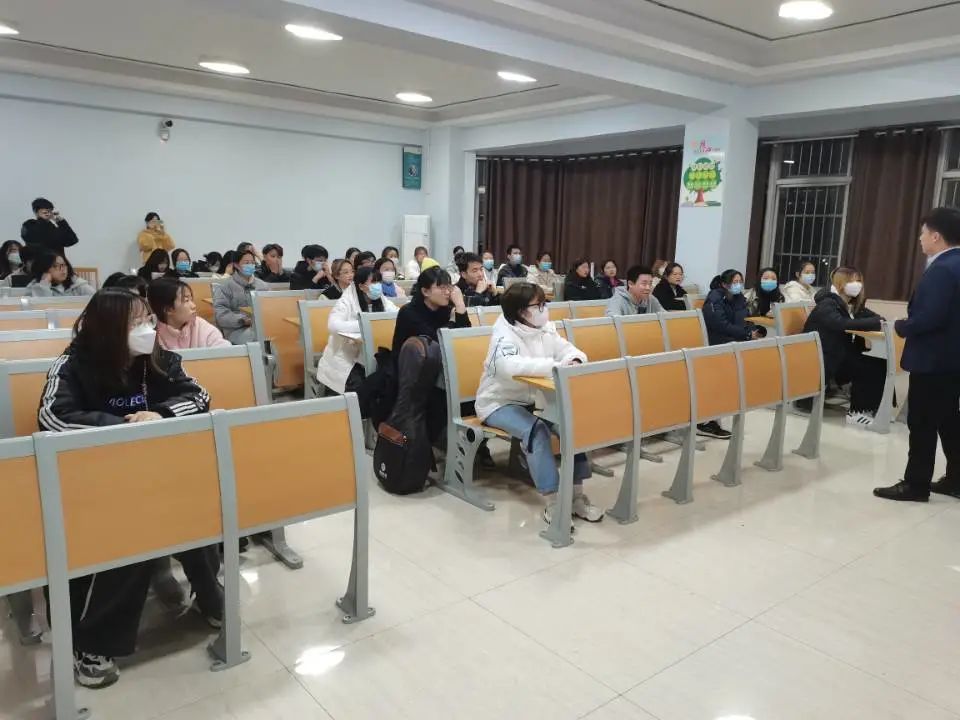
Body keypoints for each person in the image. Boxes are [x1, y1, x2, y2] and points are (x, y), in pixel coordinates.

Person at [37, 289, 221, 688]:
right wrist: (123, 426)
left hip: (152, 473)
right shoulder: (72, 365)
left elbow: (199, 396)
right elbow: (53, 418)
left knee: (198, 512)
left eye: (148, 319)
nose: (147, 328)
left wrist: (160, 414)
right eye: (136, 322)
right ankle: (92, 642)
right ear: (108, 328)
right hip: (91, 481)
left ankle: (211, 597)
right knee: (130, 532)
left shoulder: (158, 359)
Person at [476, 282, 603, 525]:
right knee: (537, 431)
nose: (544, 309)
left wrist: (575, 360)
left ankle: (577, 498)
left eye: (544, 303)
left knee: (570, 428)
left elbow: (570, 351)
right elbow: (509, 367)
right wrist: (555, 366)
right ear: (521, 311)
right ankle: (553, 502)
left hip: (536, 401)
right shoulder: (503, 334)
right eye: (539, 305)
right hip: (499, 403)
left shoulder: (545, 329)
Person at [875, 208, 960, 502]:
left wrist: (902, 326)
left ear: (936, 236)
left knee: (922, 423)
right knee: (949, 421)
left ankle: (916, 484)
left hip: (933, 360)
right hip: (952, 360)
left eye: (923, 233)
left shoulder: (943, 269)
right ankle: (956, 479)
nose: (920, 239)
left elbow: (930, 317)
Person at [802, 267, 884, 426]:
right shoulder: (827, 303)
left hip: (839, 353)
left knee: (877, 363)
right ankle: (857, 412)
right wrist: (874, 322)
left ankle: (871, 409)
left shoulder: (850, 303)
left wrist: (877, 321)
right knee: (866, 366)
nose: (857, 284)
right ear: (840, 282)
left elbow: (874, 317)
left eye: (859, 281)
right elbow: (840, 323)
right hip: (824, 356)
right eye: (852, 281)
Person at [316, 267, 397, 395]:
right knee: (361, 388)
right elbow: (333, 325)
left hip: (372, 354)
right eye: (373, 282)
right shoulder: (347, 300)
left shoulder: (380, 299)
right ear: (361, 286)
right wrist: (365, 325)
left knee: (389, 378)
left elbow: (396, 313)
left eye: (379, 282)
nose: (377, 286)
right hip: (345, 356)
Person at [391, 266, 471, 356]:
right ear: (425, 291)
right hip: (413, 362)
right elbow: (435, 343)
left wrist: (460, 305)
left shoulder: (445, 308)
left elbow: (466, 338)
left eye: (448, 287)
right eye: (442, 288)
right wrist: (452, 321)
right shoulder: (408, 312)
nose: (447, 292)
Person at [149, 278, 230, 350]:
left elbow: (224, 349)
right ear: (168, 309)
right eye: (186, 301)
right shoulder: (151, 333)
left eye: (191, 299)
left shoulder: (199, 325)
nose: (194, 306)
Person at [213, 248, 269, 344]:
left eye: (252, 263)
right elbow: (220, 314)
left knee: (275, 336)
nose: (250, 265)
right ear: (236, 265)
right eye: (246, 263)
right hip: (236, 330)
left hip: (260, 327)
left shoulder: (263, 286)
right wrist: (242, 320)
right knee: (258, 338)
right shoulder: (226, 286)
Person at [703, 269, 764, 345]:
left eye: (740, 282)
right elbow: (721, 325)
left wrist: (753, 331)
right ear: (724, 284)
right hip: (720, 340)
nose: (738, 285)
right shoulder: (715, 298)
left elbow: (746, 318)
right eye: (735, 282)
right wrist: (747, 334)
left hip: (737, 337)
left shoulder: (739, 297)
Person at [26, 251, 95, 297]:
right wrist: (44, 284)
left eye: (64, 265)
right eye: (55, 266)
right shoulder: (34, 287)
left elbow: (97, 301)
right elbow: (42, 307)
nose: (62, 269)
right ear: (44, 269)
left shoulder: (77, 284)